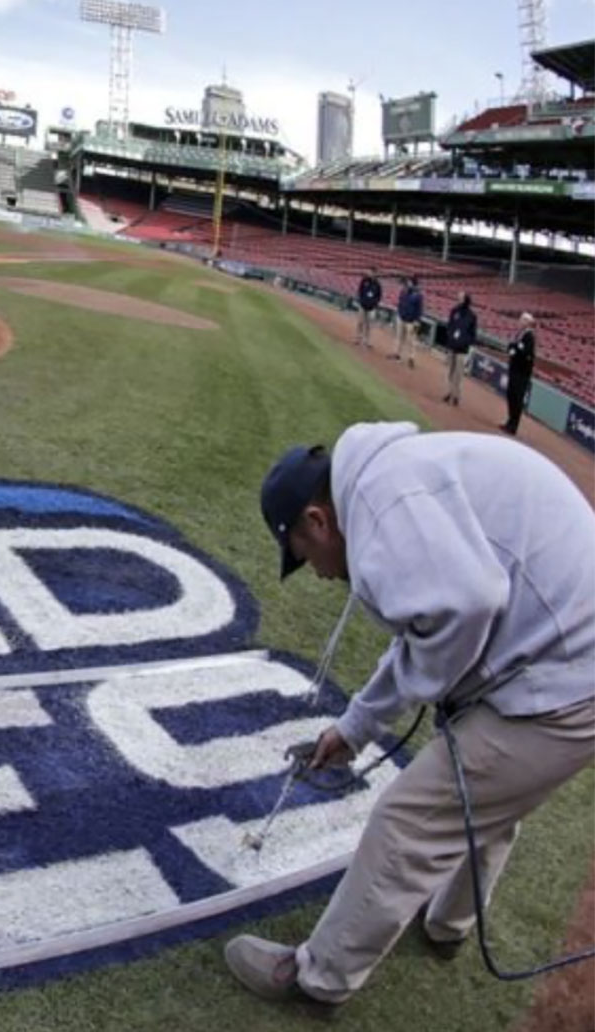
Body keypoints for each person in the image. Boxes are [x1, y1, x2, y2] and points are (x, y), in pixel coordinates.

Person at [231, 423, 595, 1011]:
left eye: (305, 555)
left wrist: (439, 687)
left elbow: (469, 603)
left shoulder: (382, 513)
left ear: (319, 521)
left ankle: (318, 978)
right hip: (566, 658)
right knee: (490, 797)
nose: (321, 574)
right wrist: (353, 728)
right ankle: (449, 924)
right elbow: (426, 632)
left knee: (411, 818)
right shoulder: (385, 481)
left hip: (566, 680)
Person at [502, 312, 537, 435]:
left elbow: (525, 352)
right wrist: (513, 349)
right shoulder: (519, 334)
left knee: (517, 398)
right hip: (514, 369)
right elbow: (511, 346)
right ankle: (509, 421)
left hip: (521, 373)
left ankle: (513, 425)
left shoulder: (530, 336)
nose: (519, 322)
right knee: (511, 395)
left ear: (527, 322)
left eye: (522, 320)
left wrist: (515, 349)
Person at [441, 293, 477, 406]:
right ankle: (450, 392)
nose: (458, 299)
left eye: (461, 298)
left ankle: (456, 395)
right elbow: (450, 326)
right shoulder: (454, 311)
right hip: (452, 345)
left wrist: (465, 341)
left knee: (458, 373)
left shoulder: (472, 316)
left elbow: (473, 334)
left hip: (463, 348)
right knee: (451, 371)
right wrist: (451, 337)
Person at [392, 277, 423, 368]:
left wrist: (417, 321)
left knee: (411, 341)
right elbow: (400, 303)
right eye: (408, 283)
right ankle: (398, 354)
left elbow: (419, 309)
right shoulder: (404, 291)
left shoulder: (418, 295)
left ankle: (411, 358)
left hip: (411, 321)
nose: (408, 284)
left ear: (414, 284)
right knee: (399, 337)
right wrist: (399, 313)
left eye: (410, 283)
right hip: (402, 318)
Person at [354, 271, 381, 349]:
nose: (372, 274)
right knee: (360, 322)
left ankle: (367, 340)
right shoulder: (364, 281)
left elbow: (379, 295)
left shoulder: (377, 284)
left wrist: (375, 303)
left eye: (373, 273)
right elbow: (360, 291)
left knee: (369, 325)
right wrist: (361, 300)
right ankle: (358, 338)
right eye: (371, 272)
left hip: (372, 307)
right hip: (363, 305)